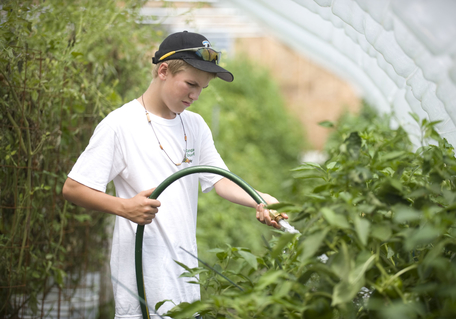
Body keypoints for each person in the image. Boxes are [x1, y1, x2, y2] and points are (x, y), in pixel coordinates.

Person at [62, 31, 288, 318]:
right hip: (142, 284)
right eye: (190, 84)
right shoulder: (120, 125)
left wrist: (261, 199)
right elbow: (73, 188)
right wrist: (125, 207)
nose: (195, 95)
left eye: (202, 88)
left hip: (185, 284)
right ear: (164, 71)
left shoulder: (194, 125)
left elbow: (218, 179)